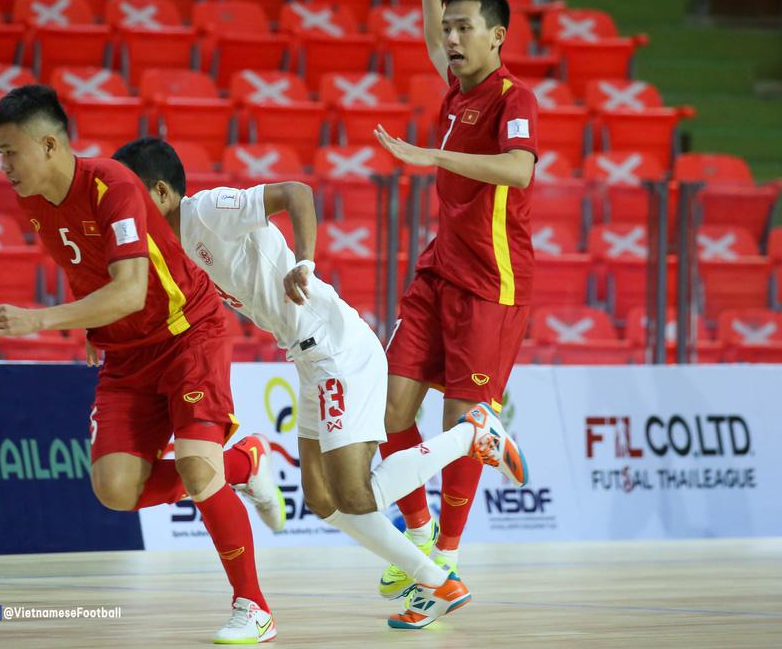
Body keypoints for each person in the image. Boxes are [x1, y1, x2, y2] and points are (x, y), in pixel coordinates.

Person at [112, 136, 529, 630]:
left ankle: (472, 434)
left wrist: (303, 262)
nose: (123, 212)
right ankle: (439, 584)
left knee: (355, 495)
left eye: (131, 197)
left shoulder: (202, 212)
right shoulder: (170, 248)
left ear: (161, 193)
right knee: (323, 501)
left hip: (335, 350)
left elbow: (296, 192)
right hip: (306, 358)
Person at [0, 85, 282, 645]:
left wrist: (40, 320)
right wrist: (95, 325)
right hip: (126, 353)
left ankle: (253, 606)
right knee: (115, 489)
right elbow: (83, 264)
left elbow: (133, 290)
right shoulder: (33, 200)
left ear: (47, 145)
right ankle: (245, 464)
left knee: (194, 466)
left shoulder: (112, 184)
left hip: (188, 333)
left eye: (10, 151)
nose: (4, 165)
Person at [371, 0, 540, 627]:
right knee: (386, 407)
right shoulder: (456, 90)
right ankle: (415, 536)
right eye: (449, 27)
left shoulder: (513, 99)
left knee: (458, 424)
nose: (451, 36)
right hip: (437, 272)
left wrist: (431, 156)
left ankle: (444, 562)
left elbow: (517, 169)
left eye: (464, 27)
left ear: (497, 35)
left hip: (491, 285)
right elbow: (425, 28)